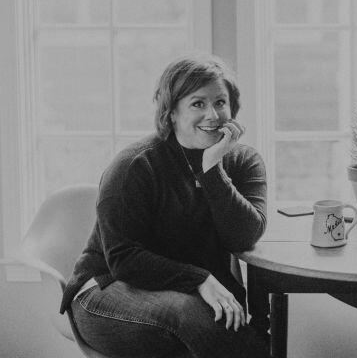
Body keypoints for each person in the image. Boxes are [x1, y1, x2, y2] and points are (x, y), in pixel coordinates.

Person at [60, 52, 270, 358]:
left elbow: (243, 238)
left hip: (187, 294)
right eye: (198, 103)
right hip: (105, 291)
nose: (212, 115)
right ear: (171, 112)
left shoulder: (244, 162)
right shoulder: (135, 165)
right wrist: (200, 280)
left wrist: (213, 171)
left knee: (210, 319)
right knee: (188, 313)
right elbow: (123, 258)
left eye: (220, 102)